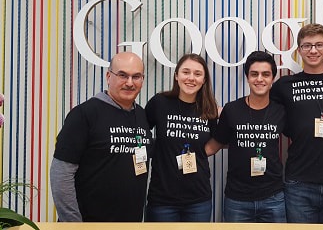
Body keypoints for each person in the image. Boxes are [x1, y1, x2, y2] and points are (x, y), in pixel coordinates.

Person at [270, 23, 323, 223]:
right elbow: (260, 109)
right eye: (307, 45)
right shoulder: (284, 85)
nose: (313, 50)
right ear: (299, 50)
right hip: (299, 182)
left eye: (319, 45)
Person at [50, 51, 151, 222]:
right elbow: (61, 174)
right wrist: (73, 224)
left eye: (136, 76)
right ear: (108, 76)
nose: (129, 83)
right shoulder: (84, 114)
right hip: (88, 223)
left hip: (130, 223)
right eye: (122, 75)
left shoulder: (141, 115)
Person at [205, 51, 287, 222]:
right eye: (254, 74)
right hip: (237, 199)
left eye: (266, 74)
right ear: (247, 78)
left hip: (273, 197)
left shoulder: (281, 111)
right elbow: (214, 146)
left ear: (272, 79)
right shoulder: (232, 109)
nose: (259, 79)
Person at [144, 53, 218, 222]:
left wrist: (200, 152)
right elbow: (141, 133)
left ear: (204, 80)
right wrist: (159, 151)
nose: (191, 78)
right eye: (186, 72)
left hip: (198, 199)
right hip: (162, 199)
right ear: (176, 76)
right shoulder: (159, 102)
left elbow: (215, 139)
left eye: (198, 74)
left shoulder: (208, 108)